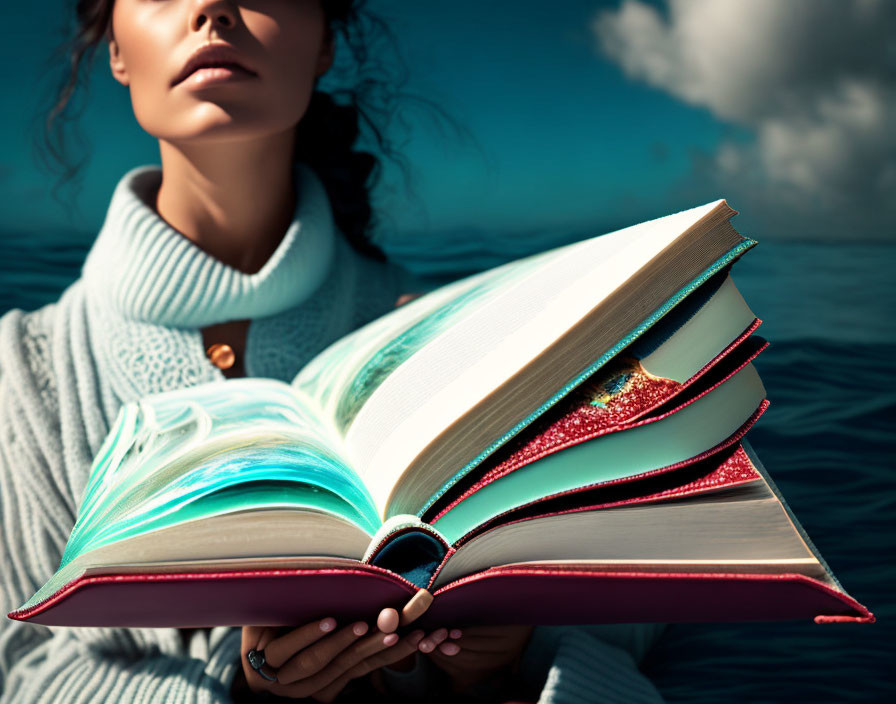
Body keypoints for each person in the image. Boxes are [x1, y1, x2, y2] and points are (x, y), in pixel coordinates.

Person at [0, 1, 668, 701]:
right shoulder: (25, 368)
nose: (213, 10)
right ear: (115, 49)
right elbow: (28, 667)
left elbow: (650, 630)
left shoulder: (459, 339)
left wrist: (506, 661)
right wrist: (237, 687)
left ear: (325, 40)